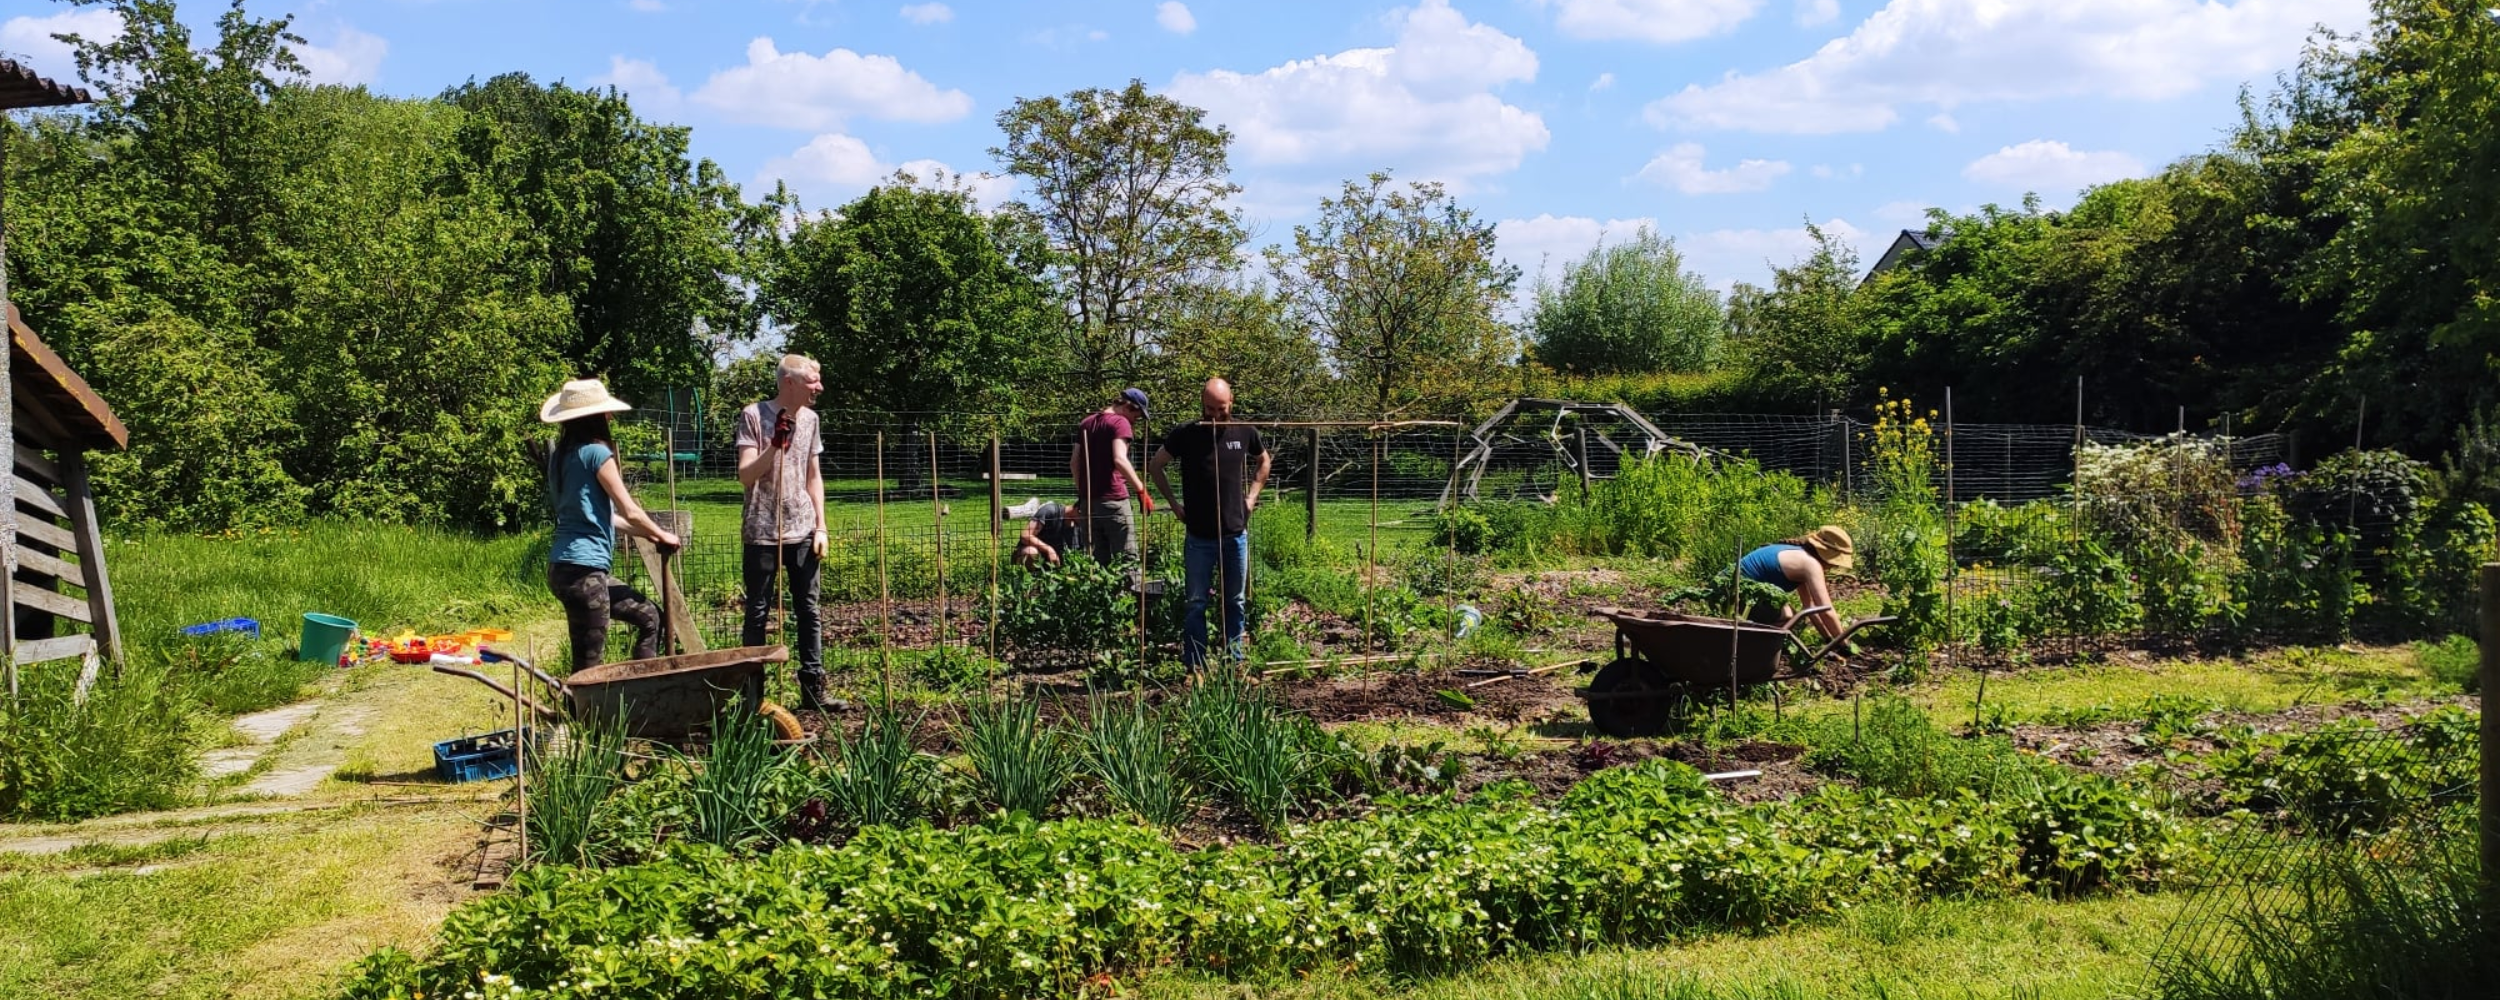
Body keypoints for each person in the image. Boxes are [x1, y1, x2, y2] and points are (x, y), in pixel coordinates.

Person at [540, 378, 682, 673]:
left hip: (563, 568)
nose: (611, 416)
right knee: (589, 666)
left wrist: (651, 536)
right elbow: (630, 510)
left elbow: (607, 517)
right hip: (584, 574)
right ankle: (585, 715)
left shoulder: (560, 457)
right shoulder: (596, 454)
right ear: (594, 417)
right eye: (606, 412)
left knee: (650, 617)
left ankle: (644, 688)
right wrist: (662, 533)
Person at [1147, 378, 1269, 669]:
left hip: (1234, 533)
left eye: (1220, 409)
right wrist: (1175, 505)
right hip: (1199, 536)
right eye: (1208, 409)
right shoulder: (1186, 434)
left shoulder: (1245, 431)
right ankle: (1195, 662)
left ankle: (1233, 659)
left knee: (1235, 600)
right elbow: (1155, 465)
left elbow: (1264, 460)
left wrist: (1251, 497)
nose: (1214, 415)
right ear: (1201, 404)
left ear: (1232, 402)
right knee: (1196, 602)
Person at [736, 354, 832, 710]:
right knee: (757, 612)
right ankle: (753, 696)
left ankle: (813, 690)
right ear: (789, 382)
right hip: (761, 530)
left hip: (803, 529)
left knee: (809, 609)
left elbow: (813, 475)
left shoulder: (811, 419)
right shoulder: (754, 415)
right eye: (811, 381)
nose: (818, 387)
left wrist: (821, 525)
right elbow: (746, 475)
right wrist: (774, 446)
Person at [1071, 388, 1154, 565]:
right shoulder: (1120, 423)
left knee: (1098, 562)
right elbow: (1120, 459)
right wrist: (1141, 490)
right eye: (1136, 417)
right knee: (1127, 559)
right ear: (1129, 407)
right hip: (1114, 501)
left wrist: (1084, 493)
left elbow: (1074, 463)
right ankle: (1132, 592)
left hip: (1089, 504)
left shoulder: (1086, 423)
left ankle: (1103, 593)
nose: (1134, 422)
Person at [1737, 525, 1855, 639]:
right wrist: (1843, 643)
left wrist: (1828, 639)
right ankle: (1753, 648)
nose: (1833, 567)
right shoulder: (1810, 564)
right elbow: (1826, 611)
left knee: (1793, 617)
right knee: (1788, 616)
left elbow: (1809, 608)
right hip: (1735, 595)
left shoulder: (1800, 556)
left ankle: (1756, 644)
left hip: (1737, 592)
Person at [1008, 499, 1084, 568]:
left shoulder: (1079, 527)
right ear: (1078, 510)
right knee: (1031, 552)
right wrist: (1048, 549)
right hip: (1029, 554)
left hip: (1052, 568)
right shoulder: (1050, 511)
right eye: (1086, 517)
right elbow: (1025, 535)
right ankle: (1028, 579)